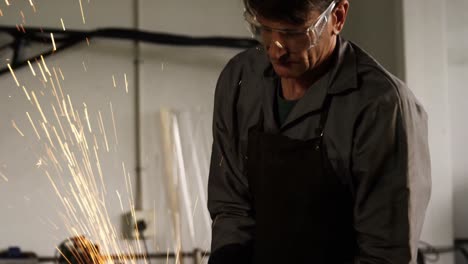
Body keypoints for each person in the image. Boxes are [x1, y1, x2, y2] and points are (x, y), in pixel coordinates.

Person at [207, 0, 431, 263]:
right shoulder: (241, 82)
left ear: (337, 16)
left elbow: (385, 253)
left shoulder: (381, 107)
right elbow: (231, 209)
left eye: (293, 33)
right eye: (264, 29)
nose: (276, 50)